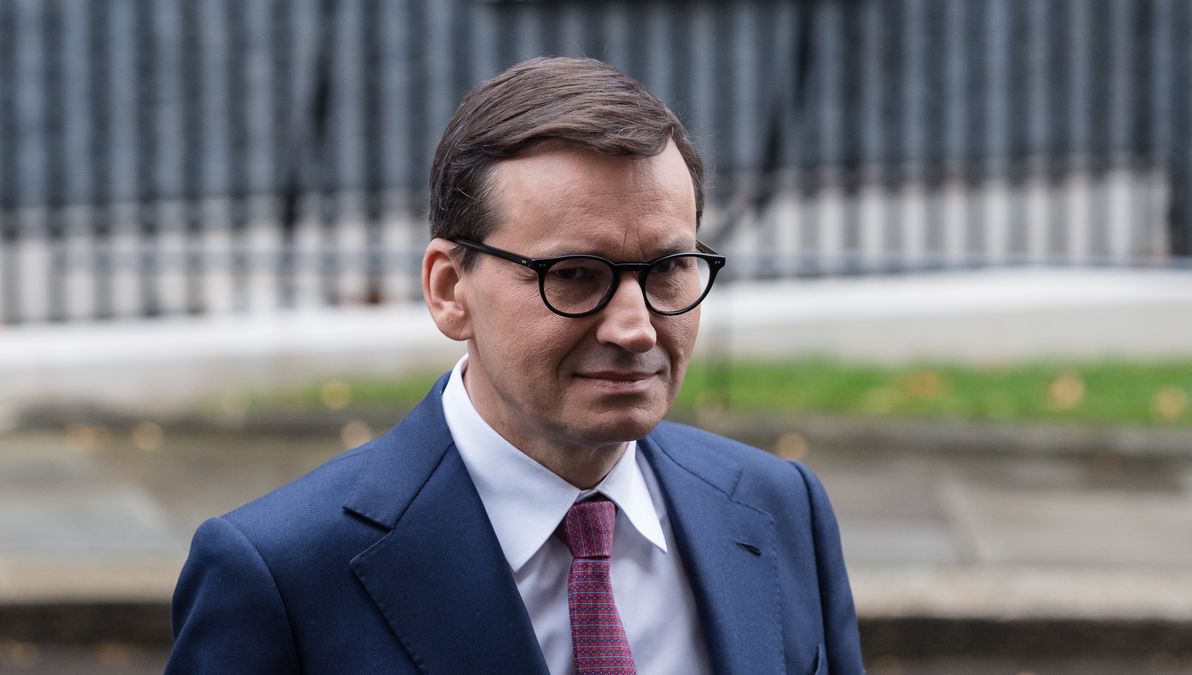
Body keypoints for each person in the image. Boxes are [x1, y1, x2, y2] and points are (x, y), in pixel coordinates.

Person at [166, 56, 863, 675]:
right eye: (574, 274)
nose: (634, 326)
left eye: (670, 267)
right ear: (449, 289)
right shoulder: (280, 575)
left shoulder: (780, 508)